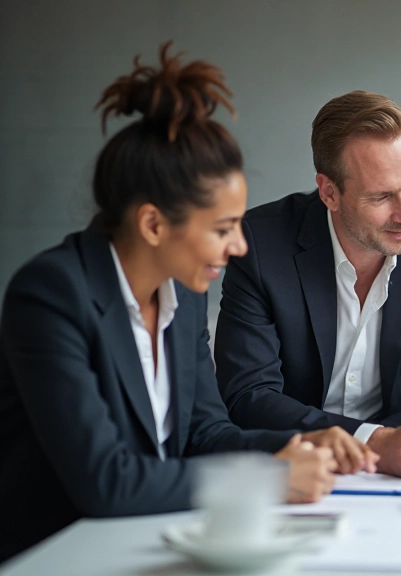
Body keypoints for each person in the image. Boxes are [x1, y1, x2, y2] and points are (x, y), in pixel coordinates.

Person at [0, 44, 379, 562]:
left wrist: (298, 449)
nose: (240, 246)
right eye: (223, 229)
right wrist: (273, 478)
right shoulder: (50, 294)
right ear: (154, 224)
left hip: (153, 542)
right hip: (62, 556)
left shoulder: (183, 293)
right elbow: (106, 482)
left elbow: (205, 433)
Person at [214, 90, 401, 478]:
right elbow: (247, 395)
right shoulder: (258, 245)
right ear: (329, 192)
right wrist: (373, 442)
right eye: (381, 196)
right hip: (297, 469)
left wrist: (396, 444)